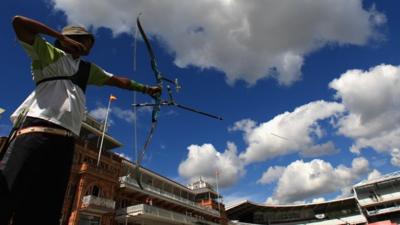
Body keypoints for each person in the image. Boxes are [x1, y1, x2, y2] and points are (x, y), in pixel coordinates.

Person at [0, 15, 161, 225]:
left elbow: (117, 81)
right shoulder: (48, 53)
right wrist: (58, 36)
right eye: (84, 42)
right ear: (69, 39)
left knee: (44, 208)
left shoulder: (87, 69)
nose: (86, 48)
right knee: (7, 193)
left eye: (88, 46)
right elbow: (18, 23)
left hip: (66, 142)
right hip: (35, 132)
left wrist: (146, 89)